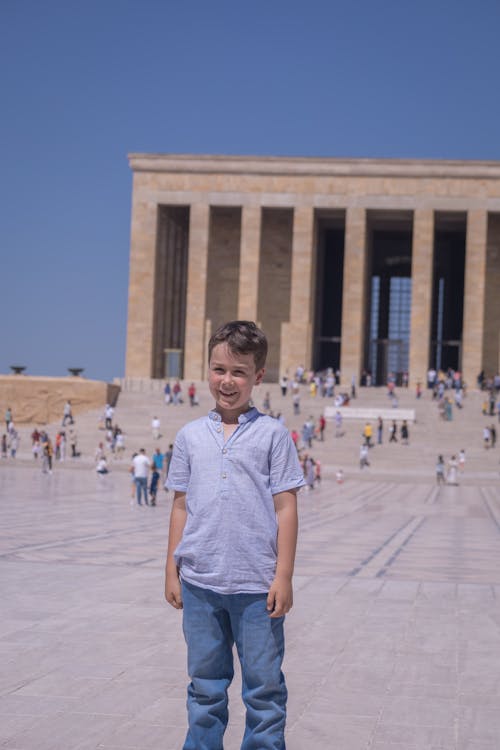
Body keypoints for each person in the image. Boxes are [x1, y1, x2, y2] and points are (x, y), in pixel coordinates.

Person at [164, 320, 304, 749]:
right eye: (219, 369)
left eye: (239, 372)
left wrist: (283, 575)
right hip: (201, 583)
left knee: (263, 691)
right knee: (205, 686)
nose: (228, 381)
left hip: (256, 587)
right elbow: (180, 505)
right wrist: (171, 570)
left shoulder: (273, 435)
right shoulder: (189, 436)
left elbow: (286, 507)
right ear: (207, 370)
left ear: (258, 377)